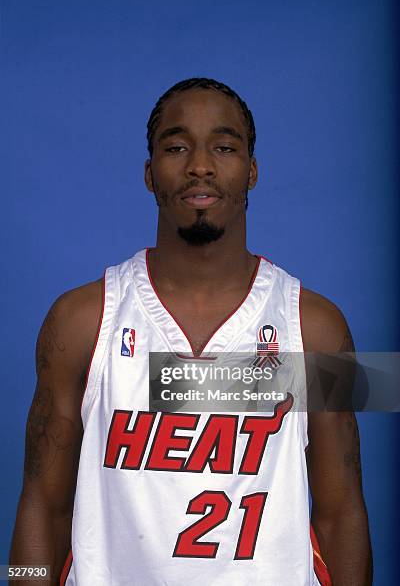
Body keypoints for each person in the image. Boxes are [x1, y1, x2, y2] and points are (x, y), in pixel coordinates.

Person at [10, 78, 372, 585]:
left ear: (252, 171)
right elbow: (41, 506)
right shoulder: (79, 320)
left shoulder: (316, 326)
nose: (200, 165)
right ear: (148, 173)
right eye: (176, 147)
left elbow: (342, 512)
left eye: (224, 147)